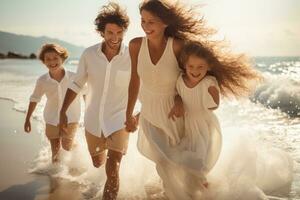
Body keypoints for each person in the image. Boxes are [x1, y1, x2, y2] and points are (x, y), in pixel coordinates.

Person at [125, 0, 217, 199]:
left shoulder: (177, 46)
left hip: (175, 114)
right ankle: (171, 195)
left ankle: (194, 192)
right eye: (143, 21)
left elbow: (188, 78)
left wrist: (179, 101)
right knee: (163, 162)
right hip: (150, 112)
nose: (146, 26)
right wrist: (129, 113)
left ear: (165, 22)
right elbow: (134, 79)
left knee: (179, 162)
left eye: (152, 22)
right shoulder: (134, 45)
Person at [60, 3, 137, 200]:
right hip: (93, 120)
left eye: (119, 32)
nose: (115, 38)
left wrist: (137, 115)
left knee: (112, 169)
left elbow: (140, 87)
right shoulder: (88, 54)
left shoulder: (132, 56)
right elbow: (76, 84)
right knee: (98, 163)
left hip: (119, 119)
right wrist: (63, 112)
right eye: (110, 32)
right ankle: (100, 169)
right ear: (101, 32)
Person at [168, 41, 260, 196]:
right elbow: (178, 94)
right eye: (191, 66)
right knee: (183, 158)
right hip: (186, 124)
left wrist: (213, 94)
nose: (195, 71)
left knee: (197, 159)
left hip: (204, 125)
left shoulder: (209, 82)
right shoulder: (180, 80)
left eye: (200, 67)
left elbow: (213, 106)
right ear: (184, 65)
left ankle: (208, 190)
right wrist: (177, 103)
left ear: (208, 66)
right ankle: (194, 190)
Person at [24, 43, 82, 163]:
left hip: (71, 117)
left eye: (55, 58)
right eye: (48, 59)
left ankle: (75, 162)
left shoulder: (74, 77)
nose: (52, 62)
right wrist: (27, 119)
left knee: (67, 146)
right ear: (43, 62)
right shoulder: (42, 80)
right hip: (51, 118)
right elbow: (35, 98)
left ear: (62, 58)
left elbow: (87, 93)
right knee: (55, 151)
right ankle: (56, 175)